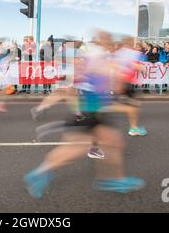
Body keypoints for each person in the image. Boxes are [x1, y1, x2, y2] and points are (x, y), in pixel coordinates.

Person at [24, 31, 145, 198]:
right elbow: (109, 82)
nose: (111, 45)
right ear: (103, 43)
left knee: (114, 142)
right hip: (89, 110)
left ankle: (114, 179)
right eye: (108, 42)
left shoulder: (96, 57)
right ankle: (39, 173)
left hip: (93, 110)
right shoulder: (96, 58)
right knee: (74, 149)